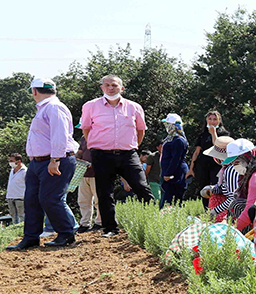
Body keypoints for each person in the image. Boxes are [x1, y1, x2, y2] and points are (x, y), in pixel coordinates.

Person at [7, 78, 78, 250]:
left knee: (50, 199)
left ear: (34, 91)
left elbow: (59, 135)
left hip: (54, 160)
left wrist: (55, 160)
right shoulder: (46, 108)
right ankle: (31, 237)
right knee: (32, 200)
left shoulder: (54, 107)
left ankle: (66, 233)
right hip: (37, 162)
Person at [79, 74, 153, 237]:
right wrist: (93, 145)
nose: (111, 88)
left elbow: (140, 130)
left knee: (141, 187)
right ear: (102, 88)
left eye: (114, 85)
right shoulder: (90, 106)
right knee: (104, 192)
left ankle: (154, 222)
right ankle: (110, 228)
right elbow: (86, 129)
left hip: (128, 154)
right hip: (101, 155)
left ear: (122, 88)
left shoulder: (134, 107)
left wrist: (133, 146)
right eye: (107, 85)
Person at [229, 144, 256, 231]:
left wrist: (231, 231)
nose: (234, 166)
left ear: (246, 158)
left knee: (237, 205)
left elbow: (248, 212)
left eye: (237, 162)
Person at [187, 110, 228, 190]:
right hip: (203, 165)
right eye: (210, 119)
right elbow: (196, 152)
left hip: (217, 165)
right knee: (204, 188)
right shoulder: (203, 135)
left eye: (215, 119)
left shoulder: (224, 134)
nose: (212, 121)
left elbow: (217, 145)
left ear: (219, 121)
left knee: (215, 187)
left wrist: (213, 133)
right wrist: (191, 169)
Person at [159, 113, 190, 207]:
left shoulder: (179, 141)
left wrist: (169, 173)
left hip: (176, 175)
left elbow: (175, 159)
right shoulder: (171, 139)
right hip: (170, 174)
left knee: (171, 202)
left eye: (169, 124)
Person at [74, 128, 101, 232]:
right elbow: (80, 152)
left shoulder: (100, 136)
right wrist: (75, 159)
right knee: (83, 200)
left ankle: (99, 222)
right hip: (83, 173)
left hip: (97, 173)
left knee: (99, 200)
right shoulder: (83, 138)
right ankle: (85, 223)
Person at [5, 153, 26, 226]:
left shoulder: (25, 171)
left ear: (19, 161)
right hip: (10, 196)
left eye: (12, 160)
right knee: (13, 216)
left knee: (22, 216)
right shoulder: (12, 170)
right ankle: (15, 230)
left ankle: (22, 230)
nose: (10, 162)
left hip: (20, 197)